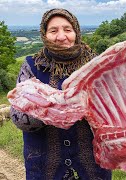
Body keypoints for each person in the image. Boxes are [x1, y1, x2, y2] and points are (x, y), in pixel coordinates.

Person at [10, 8, 112, 179]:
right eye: (53, 30)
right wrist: (55, 110)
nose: (61, 36)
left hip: (92, 164)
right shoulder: (31, 66)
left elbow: (112, 109)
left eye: (67, 29)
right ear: (44, 34)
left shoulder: (96, 63)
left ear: (76, 32)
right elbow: (18, 118)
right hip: (44, 165)